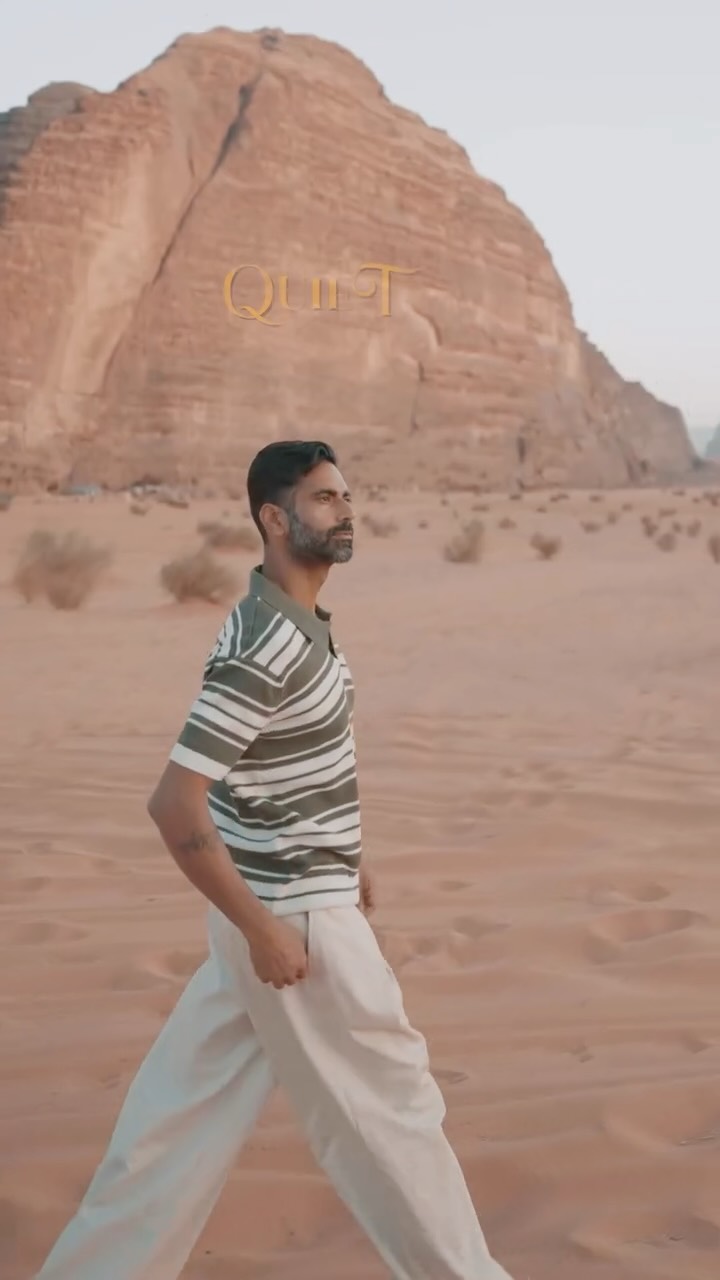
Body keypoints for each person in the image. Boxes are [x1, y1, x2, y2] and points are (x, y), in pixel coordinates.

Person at [35, 440, 514, 1280]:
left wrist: (342, 853)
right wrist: (263, 928)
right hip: (292, 929)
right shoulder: (267, 644)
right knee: (395, 1121)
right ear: (274, 517)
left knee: (171, 1132)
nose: (345, 511)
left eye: (346, 496)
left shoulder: (285, 620)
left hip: (271, 909)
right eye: (324, 499)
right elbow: (175, 802)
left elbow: (265, 766)